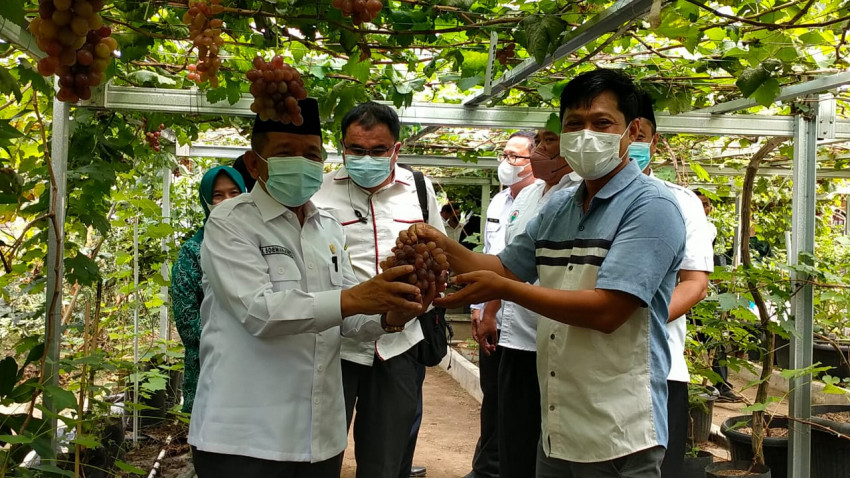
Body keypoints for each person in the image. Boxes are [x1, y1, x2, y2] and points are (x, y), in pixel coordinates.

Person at [415, 69, 686, 478]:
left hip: (619, 428)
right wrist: (437, 241)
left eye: (602, 122)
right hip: (559, 420)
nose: (586, 134)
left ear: (631, 132)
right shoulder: (560, 207)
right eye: (574, 124)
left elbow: (608, 311)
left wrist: (506, 290)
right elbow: (503, 265)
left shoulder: (652, 208)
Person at [188, 98, 432, 478]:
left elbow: (350, 320)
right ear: (255, 164)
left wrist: (391, 315)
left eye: (311, 154)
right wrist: (355, 298)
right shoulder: (230, 222)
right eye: (286, 153)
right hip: (244, 438)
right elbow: (259, 311)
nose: (301, 162)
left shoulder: (328, 229)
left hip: (319, 437)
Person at [312, 101, 446, 478]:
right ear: (342, 147)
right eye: (356, 150)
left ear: (396, 149)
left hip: (398, 344)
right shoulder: (319, 195)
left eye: (377, 151)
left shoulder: (419, 190)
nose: (365, 158)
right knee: (318, 451)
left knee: (387, 459)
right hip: (335, 343)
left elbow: (440, 249)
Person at [487, 128, 580, 478]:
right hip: (517, 337)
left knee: (552, 442)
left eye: (548, 141)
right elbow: (508, 262)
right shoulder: (528, 197)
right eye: (537, 141)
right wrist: (490, 306)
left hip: (557, 340)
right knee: (514, 439)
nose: (540, 149)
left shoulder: (578, 195)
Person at [629, 92, 713, 477]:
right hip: (579, 372)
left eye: (639, 134)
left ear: (654, 141)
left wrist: (628, 323)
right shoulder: (568, 201)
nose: (629, 144)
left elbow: (694, 283)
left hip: (657, 371)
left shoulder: (681, 203)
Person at [465, 130, 536, 478]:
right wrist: (478, 310)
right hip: (491, 313)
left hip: (520, 320)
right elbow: (490, 256)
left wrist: (491, 309)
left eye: (515, 156)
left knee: (515, 404)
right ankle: (486, 467)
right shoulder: (498, 202)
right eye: (504, 154)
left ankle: (497, 468)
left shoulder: (541, 200)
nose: (506, 162)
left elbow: (512, 267)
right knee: (492, 395)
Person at [171, 166, 246, 414]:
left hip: (260, 364)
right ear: (206, 200)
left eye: (234, 193)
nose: (227, 201)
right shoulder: (193, 252)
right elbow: (187, 320)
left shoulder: (259, 244)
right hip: (211, 363)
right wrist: (232, 343)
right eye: (218, 195)